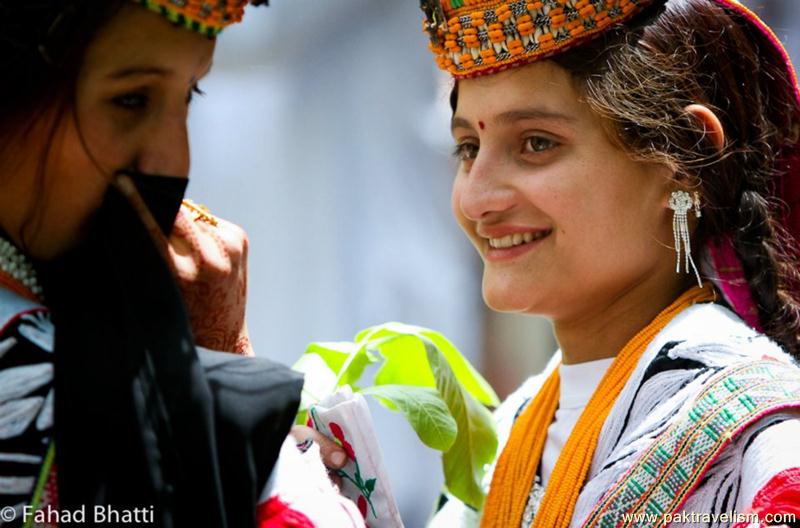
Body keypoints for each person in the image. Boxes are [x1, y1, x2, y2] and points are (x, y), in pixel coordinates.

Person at [418, 0, 800, 526]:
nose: (476, 198)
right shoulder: (511, 429)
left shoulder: (768, 452)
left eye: (535, 144)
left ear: (684, 157)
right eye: (468, 147)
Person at [0, 2, 362, 527]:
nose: (174, 163)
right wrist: (222, 380)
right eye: (130, 99)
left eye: (190, 94)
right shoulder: (54, 386)